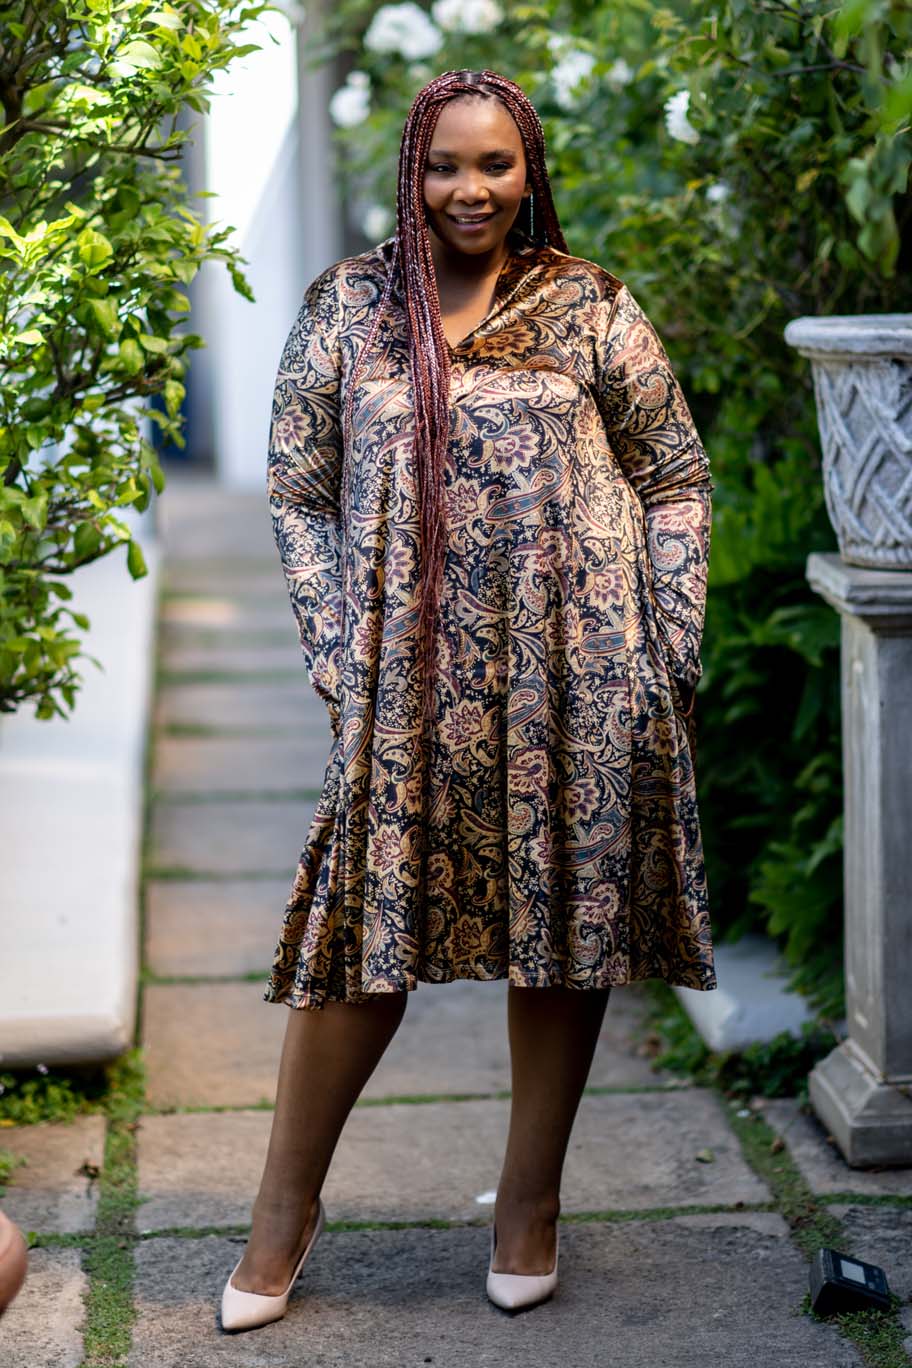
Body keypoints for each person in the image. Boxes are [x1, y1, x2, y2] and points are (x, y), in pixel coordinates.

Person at [220, 67, 715, 1332]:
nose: (470, 189)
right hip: (408, 678)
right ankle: (282, 1212)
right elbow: (298, 490)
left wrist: (666, 644)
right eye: (446, 165)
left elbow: (673, 476)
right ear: (412, 171)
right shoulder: (349, 307)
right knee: (360, 933)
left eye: (495, 164)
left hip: (578, 676)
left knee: (566, 924)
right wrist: (339, 649)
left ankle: (529, 1207)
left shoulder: (589, 304)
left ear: (528, 168)